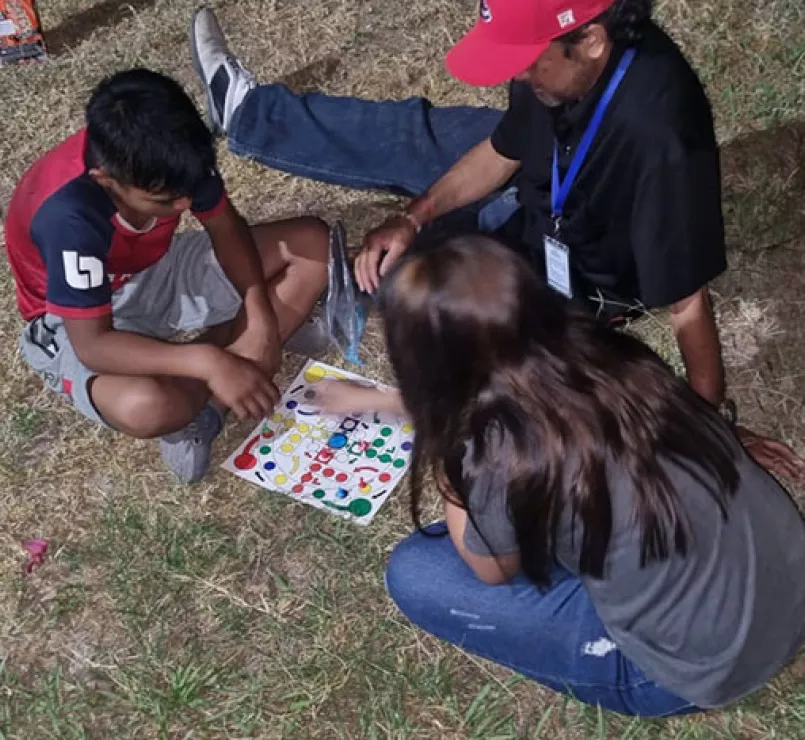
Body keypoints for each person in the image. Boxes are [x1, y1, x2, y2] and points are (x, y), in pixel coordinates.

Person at [189, 1, 803, 479]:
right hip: (540, 190)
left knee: (419, 287)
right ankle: (247, 113)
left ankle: (345, 290)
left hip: (575, 270)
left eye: (526, 60)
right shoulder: (561, 67)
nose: (516, 73)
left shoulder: (658, 140)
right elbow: (503, 148)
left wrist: (710, 427)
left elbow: (688, 305)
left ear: (589, 39)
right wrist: (415, 214)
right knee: (417, 138)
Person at [313, 234, 805, 717]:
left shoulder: (498, 452)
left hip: (690, 670)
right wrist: (380, 403)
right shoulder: (614, 357)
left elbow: (491, 569)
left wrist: (451, 459)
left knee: (416, 572)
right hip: (788, 594)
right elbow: (499, 380)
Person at [5, 68, 330, 483]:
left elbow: (225, 228)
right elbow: (94, 345)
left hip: (157, 269)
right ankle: (222, 376)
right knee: (147, 406)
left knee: (313, 247)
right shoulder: (69, 216)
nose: (183, 205)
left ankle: (225, 383)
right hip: (72, 320)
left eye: (189, 190)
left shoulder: (174, 154)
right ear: (106, 180)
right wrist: (209, 361)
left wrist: (259, 312)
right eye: (163, 199)